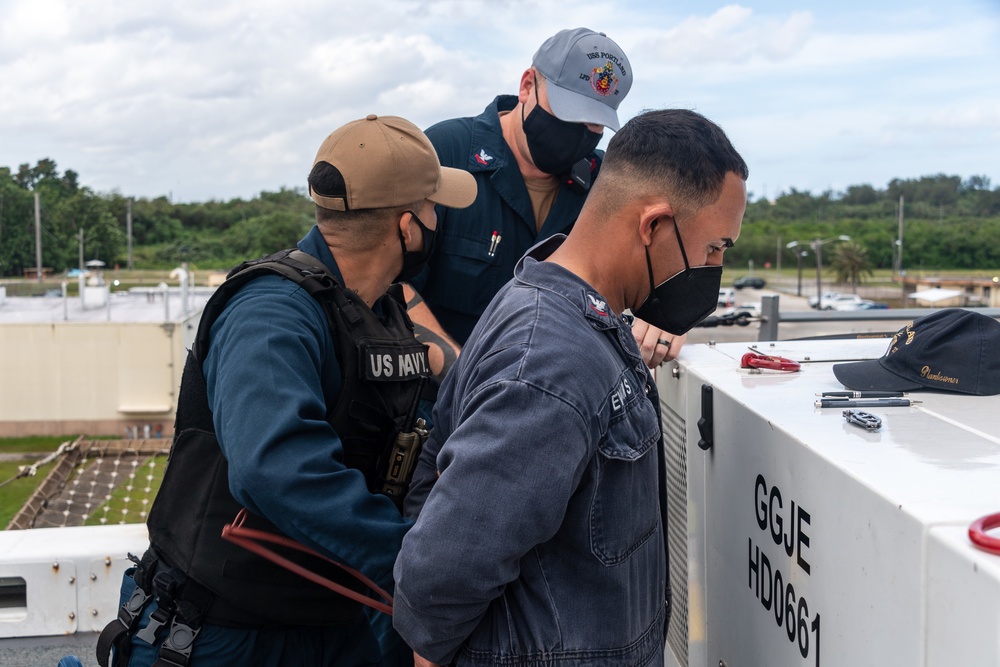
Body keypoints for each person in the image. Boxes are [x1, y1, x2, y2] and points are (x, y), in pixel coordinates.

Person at [97, 114, 476, 667]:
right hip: (226, 637)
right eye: (434, 207)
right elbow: (275, 465)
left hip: (328, 622)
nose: (439, 219)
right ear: (406, 226)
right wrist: (416, 561)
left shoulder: (377, 310)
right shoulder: (271, 313)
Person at [393, 108, 749, 667]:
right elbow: (444, 571)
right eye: (714, 248)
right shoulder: (553, 363)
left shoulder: (549, 307)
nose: (714, 267)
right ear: (653, 226)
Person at [405, 27, 685, 380]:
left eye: (594, 123)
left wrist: (662, 315)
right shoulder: (447, 154)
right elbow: (393, 287)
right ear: (527, 85)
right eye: (568, 115)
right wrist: (464, 379)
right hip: (439, 403)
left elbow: (663, 258)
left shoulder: (603, 185)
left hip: (554, 401)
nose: (579, 133)